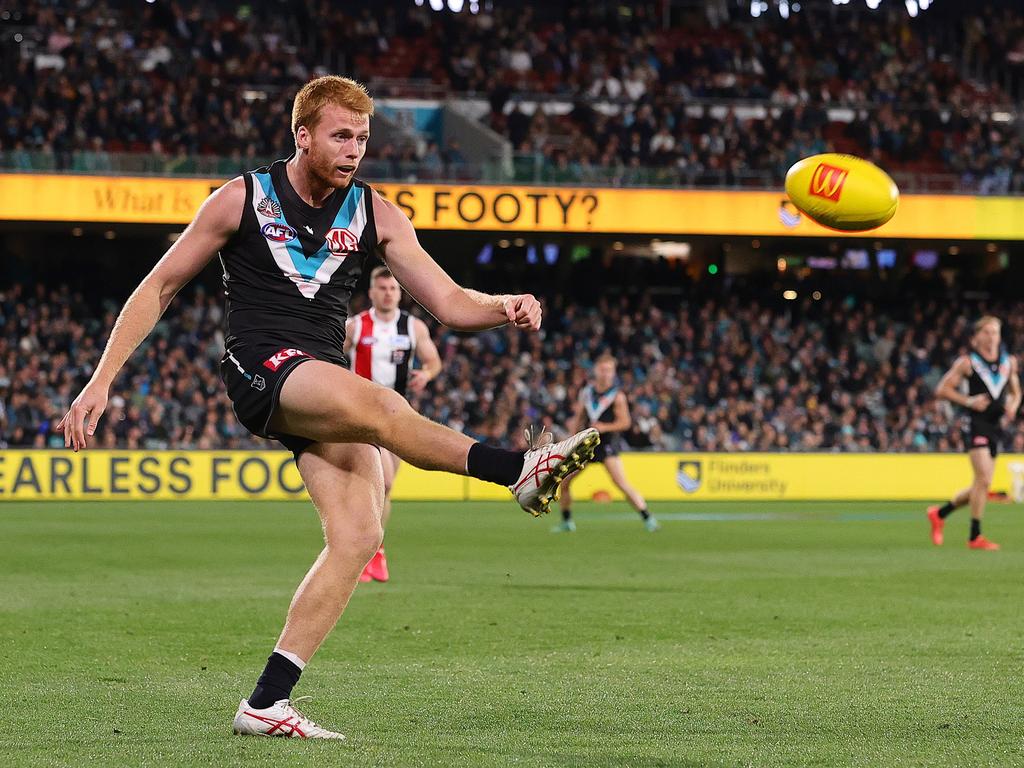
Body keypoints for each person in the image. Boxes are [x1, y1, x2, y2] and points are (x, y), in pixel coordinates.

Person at [55, 76, 599, 740]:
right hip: (262, 369)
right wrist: (101, 379)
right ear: (303, 134)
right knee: (380, 403)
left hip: (319, 381)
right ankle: (519, 469)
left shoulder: (376, 211)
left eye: (364, 138)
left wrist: (501, 307)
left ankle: (265, 702)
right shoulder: (242, 198)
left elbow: (449, 301)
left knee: (359, 536)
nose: (355, 150)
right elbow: (161, 283)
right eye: (342, 135)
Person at [344, 265, 443, 583]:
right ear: (372, 292)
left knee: (383, 490)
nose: (388, 293)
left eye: (393, 289)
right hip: (362, 413)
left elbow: (433, 360)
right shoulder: (356, 326)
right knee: (383, 481)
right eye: (382, 288)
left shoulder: (413, 327)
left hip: (399, 413)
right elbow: (331, 355)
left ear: (399, 293)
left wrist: (426, 375)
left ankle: (373, 551)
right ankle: (364, 550)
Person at [928, 316, 1020, 550]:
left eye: (996, 333)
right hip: (976, 423)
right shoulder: (968, 363)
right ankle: (975, 536)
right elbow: (942, 389)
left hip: (995, 426)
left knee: (981, 484)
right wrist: (968, 401)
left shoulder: (1008, 362)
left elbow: (1016, 391)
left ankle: (939, 513)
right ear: (976, 336)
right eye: (987, 332)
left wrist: (1012, 405)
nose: (992, 337)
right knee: (984, 479)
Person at [554, 354, 658, 533]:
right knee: (564, 482)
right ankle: (566, 522)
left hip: (607, 445)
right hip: (587, 446)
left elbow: (625, 423)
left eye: (609, 370)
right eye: (602, 369)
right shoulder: (587, 392)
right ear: (596, 370)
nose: (605, 374)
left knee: (621, 483)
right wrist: (571, 440)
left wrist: (604, 427)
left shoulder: (617, 396)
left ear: (613, 373)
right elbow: (579, 417)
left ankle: (648, 517)